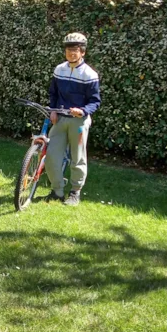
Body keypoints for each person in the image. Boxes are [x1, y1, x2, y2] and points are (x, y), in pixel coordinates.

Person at [44, 32, 101, 206]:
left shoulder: (89, 74)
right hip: (60, 119)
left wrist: (82, 111)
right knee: (52, 156)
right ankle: (57, 191)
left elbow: (95, 101)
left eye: (75, 50)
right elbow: (53, 93)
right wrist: (52, 110)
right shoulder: (59, 69)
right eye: (69, 50)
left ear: (82, 52)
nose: (71, 53)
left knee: (78, 158)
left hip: (79, 122)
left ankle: (75, 192)